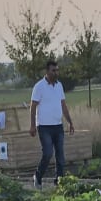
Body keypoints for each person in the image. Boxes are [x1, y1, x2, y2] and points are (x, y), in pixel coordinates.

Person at [28, 60, 75, 188]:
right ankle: (38, 176)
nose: (56, 73)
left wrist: (70, 122)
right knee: (48, 153)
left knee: (60, 156)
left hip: (58, 125)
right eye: (53, 70)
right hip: (44, 127)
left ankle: (59, 183)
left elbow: (63, 105)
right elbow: (33, 107)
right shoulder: (39, 87)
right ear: (47, 71)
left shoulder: (59, 86)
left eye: (57, 70)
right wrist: (32, 125)